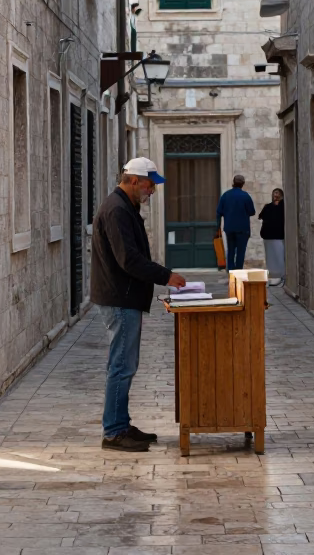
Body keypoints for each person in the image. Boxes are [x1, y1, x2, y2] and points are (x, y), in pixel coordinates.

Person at [91, 157, 187, 452]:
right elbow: (128, 260)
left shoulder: (125, 207)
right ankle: (114, 432)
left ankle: (121, 423)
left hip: (124, 297)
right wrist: (166, 276)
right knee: (121, 366)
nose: (152, 191)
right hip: (120, 299)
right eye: (149, 185)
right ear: (134, 180)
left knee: (124, 365)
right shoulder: (117, 210)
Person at [216, 174, 255, 271]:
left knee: (231, 250)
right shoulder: (245, 196)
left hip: (229, 228)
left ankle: (230, 271)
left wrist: (217, 227)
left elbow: (219, 212)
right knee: (240, 252)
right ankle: (238, 271)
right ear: (243, 184)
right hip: (243, 228)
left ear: (233, 183)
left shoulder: (225, 195)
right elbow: (252, 212)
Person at [259, 188, 286, 286]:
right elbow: (261, 216)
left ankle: (281, 275)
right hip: (268, 235)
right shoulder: (268, 206)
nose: (276, 195)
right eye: (274, 193)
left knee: (279, 255)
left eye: (278, 193)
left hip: (279, 235)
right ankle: (273, 275)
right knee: (270, 256)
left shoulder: (283, 206)